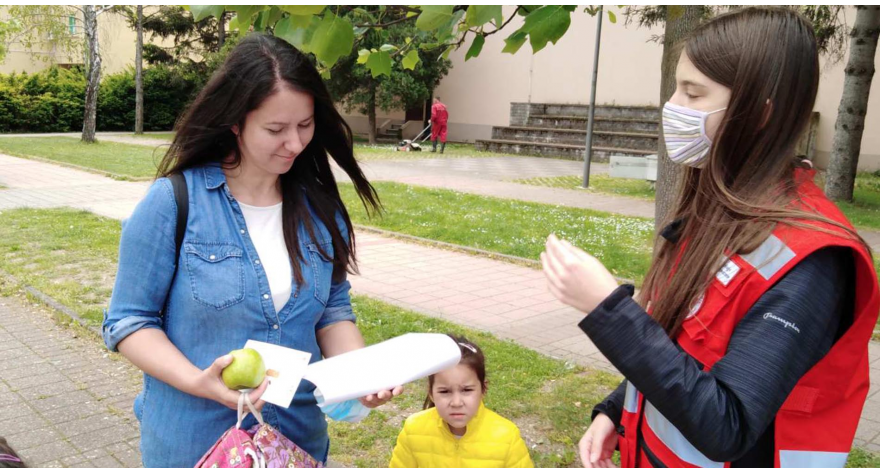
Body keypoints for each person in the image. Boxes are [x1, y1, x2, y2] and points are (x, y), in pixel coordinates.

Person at [541, 7, 880, 469]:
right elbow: (682, 345)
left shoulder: (811, 260)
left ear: (759, 113)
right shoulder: (720, 214)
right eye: (676, 88)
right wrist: (616, 411)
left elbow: (728, 426)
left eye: (693, 93)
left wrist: (608, 310)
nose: (673, 107)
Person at [102, 34, 402, 468]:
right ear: (236, 123)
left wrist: (359, 375)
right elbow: (128, 321)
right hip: (194, 443)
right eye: (276, 130)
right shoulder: (173, 202)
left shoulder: (319, 209)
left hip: (295, 442)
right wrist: (200, 382)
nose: (295, 144)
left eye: (305, 125)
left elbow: (333, 312)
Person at [389, 335, 533, 468]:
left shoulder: (506, 436)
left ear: (483, 389)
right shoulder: (414, 430)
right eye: (444, 391)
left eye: (467, 390)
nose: (456, 403)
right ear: (431, 393)